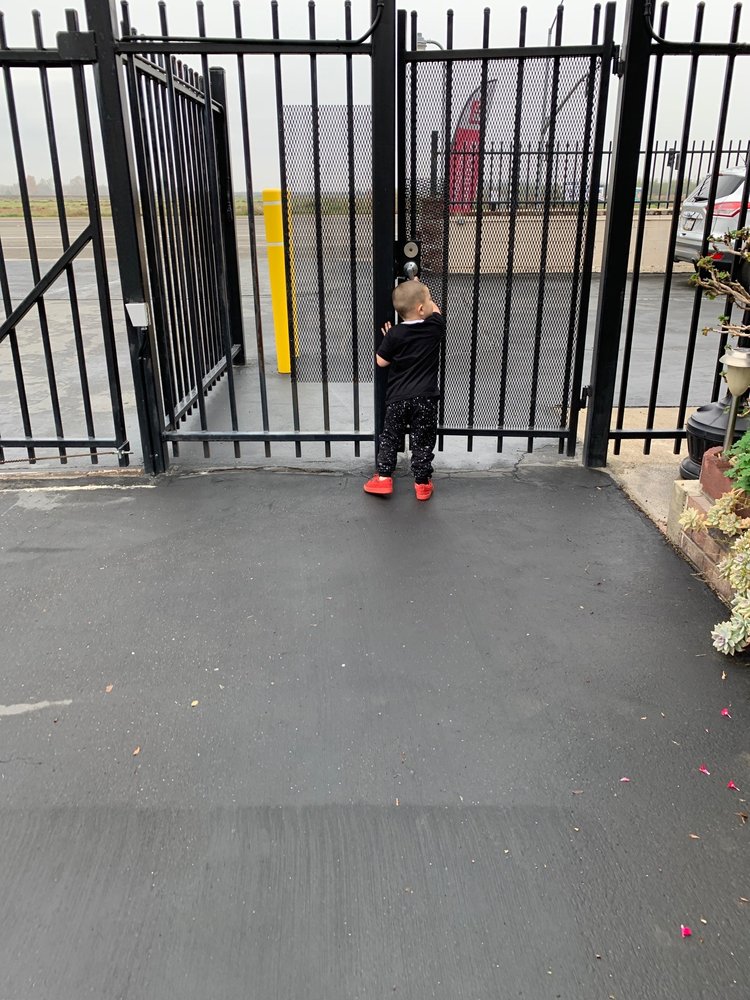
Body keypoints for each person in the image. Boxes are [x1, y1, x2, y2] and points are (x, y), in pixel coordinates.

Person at [364, 279, 444, 501]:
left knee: (390, 436)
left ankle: (383, 478)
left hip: (398, 398)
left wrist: (389, 340)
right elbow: (437, 311)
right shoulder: (434, 328)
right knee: (423, 439)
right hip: (425, 398)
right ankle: (422, 483)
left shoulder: (395, 334)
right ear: (421, 309)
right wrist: (420, 286)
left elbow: (381, 361)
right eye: (428, 299)